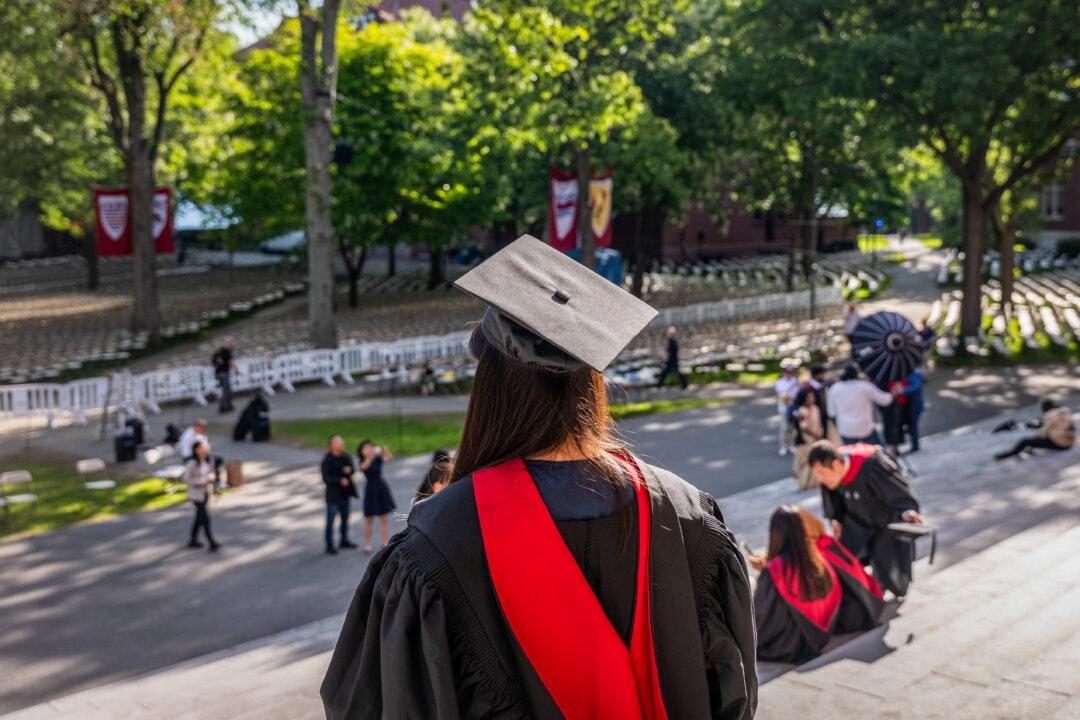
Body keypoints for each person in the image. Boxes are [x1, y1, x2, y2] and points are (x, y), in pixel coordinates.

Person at [322, 235, 757, 719]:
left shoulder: (441, 539)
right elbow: (730, 693)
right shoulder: (685, 513)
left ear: (490, 388)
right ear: (592, 383)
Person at [749, 507, 883, 663]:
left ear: (775, 533)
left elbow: (762, 615)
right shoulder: (820, 559)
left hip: (790, 645)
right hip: (821, 635)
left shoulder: (776, 569)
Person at [808, 440, 924, 598]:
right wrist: (836, 519)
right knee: (845, 556)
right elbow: (833, 497)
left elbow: (899, 493)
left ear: (835, 464)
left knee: (886, 561)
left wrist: (907, 512)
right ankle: (866, 593)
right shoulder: (831, 471)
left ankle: (885, 589)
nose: (821, 480)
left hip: (885, 520)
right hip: (856, 519)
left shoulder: (871, 464)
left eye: (821, 473)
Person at [826, 364, 893, 445]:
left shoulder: (834, 389)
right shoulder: (865, 386)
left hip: (846, 430)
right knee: (877, 453)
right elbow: (885, 400)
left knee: (853, 456)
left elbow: (831, 413)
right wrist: (893, 394)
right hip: (865, 428)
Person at [994, 399, 1075, 460]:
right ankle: (1016, 426)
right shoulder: (1065, 410)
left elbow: (1041, 433)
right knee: (1039, 423)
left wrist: (1036, 431)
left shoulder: (1049, 415)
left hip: (1060, 445)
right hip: (1070, 441)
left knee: (1025, 441)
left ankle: (1008, 454)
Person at [321, 435, 359, 555]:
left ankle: (344, 540)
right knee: (331, 520)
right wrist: (339, 480)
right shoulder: (327, 460)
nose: (341, 444)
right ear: (332, 445)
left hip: (345, 495)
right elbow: (325, 478)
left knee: (345, 519)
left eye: (341, 442)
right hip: (333, 496)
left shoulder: (345, 456)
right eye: (338, 443)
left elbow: (352, 469)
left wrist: (350, 470)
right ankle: (329, 545)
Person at [358, 439, 396, 553]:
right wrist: (370, 456)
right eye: (366, 448)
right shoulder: (363, 460)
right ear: (362, 451)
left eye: (370, 447)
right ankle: (367, 544)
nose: (369, 449)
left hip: (380, 487)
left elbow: (390, 458)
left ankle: (384, 542)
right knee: (368, 518)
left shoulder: (378, 459)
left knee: (383, 518)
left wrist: (386, 451)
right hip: (370, 490)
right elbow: (363, 467)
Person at [184, 441, 221, 551]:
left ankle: (192, 540)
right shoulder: (192, 463)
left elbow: (212, 473)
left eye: (206, 447)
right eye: (202, 448)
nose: (205, 450)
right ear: (196, 450)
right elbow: (187, 479)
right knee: (205, 518)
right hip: (196, 495)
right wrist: (202, 481)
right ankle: (211, 542)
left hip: (205, 493)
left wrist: (212, 479)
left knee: (199, 518)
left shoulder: (209, 460)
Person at [792, 391, 826, 490]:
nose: (811, 399)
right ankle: (804, 483)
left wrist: (819, 432)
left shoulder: (815, 409)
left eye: (811, 397)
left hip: (815, 438)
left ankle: (814, 482)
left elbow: (819, 422)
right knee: (804, 461)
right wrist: (814, 434)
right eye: (808, 397)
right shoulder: (801, 411)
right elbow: (803, 427)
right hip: (806, 440)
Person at [178, 418, 224, 486]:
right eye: (202, 429)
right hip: (191, 457)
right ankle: (214, 482)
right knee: (212, 462)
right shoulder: (188, 436)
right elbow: (186, 452)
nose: (203, 431)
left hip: (200, 454)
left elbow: (205, 443)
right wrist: (199, 456)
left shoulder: (199, 433)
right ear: (197, 427)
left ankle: (214, 480)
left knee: (216, 460)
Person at [896, 368, 925, 452]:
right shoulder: (909, 371)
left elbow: (916, 386)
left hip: (914, 405)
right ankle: (914, 445)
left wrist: (902, 390)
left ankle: (915, 446)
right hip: (909, 406)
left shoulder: (912, 372)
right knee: (911, 426)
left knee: (913, 427)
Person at [774, 361, 800, 456]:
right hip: (784, 407)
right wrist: (792, 387)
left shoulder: (795, 380)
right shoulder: (780, 382)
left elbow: (797, 393)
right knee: (784, 427)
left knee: (793, 427)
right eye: (787, 372)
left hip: (793, 406)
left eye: (791, 372)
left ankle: (791, 445)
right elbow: (782, 393)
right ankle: (783, 446)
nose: (789, 374)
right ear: (784, 373)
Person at [212, 337, 236, 413]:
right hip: (223, 373)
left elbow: (216, 361)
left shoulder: (220, 351)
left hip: (220, 373)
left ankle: (227, 405)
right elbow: (230, 362)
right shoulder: (226, 351)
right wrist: (237, 370)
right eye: (230, 343)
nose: (231, 344)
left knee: (225, 390)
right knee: (226, 390)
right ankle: (224, 406)